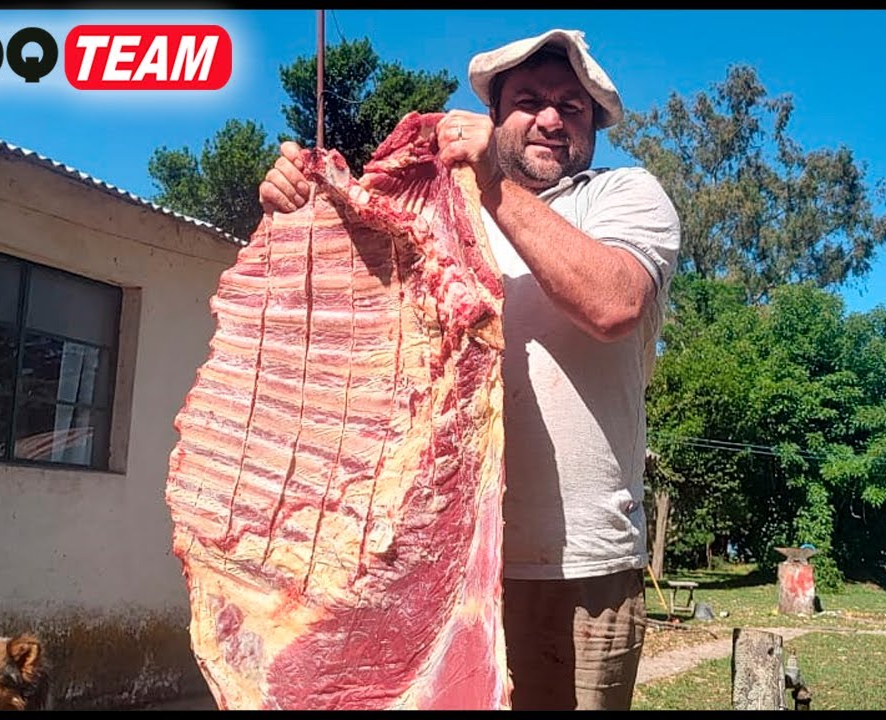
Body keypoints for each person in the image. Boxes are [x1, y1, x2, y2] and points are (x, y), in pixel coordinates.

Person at [258, 28, 681, 711]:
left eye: (572, 107)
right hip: (427, 560)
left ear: (594, 125)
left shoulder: (623, 196)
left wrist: (495, 190)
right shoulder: (439, 213)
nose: (550, 118)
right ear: (494, 117)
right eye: (530, 101)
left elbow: (614, 303)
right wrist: (297, 211)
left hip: (575, 573)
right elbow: (350, 331)